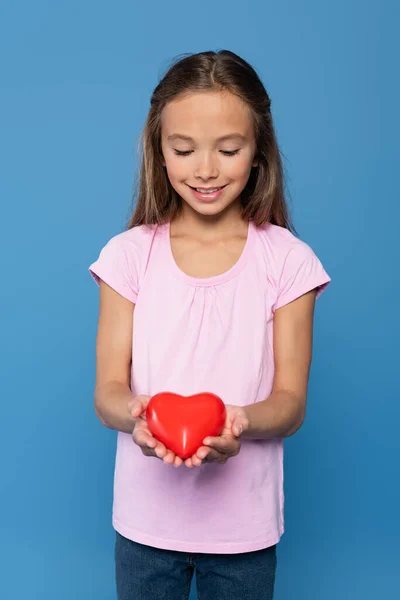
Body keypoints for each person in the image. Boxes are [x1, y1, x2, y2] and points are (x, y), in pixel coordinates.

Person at [88, 49, 331, 600]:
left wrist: (238, 422)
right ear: (159, 151)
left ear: (258, 150)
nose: (205, 169)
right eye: (183, 149)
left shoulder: (287, 261)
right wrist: (137, 417)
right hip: (145, 524)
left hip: (243, 530)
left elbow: (290, 402)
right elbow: (106, 391)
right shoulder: (129, 256)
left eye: (228, 149)